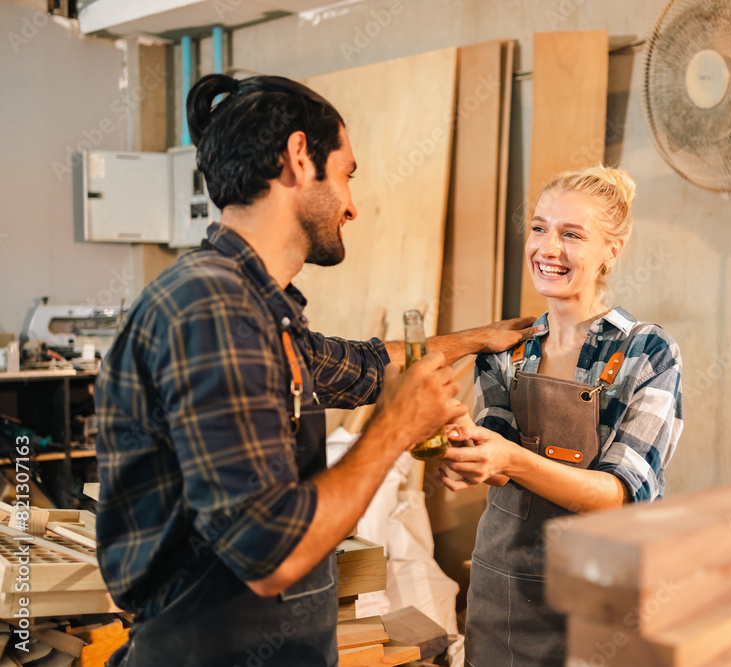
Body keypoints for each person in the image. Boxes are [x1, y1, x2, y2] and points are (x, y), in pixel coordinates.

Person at [94, 73, 539, 667]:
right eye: (347, 174)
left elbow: (364, 366)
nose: (353, 205)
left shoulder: (258, 310)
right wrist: (394, 428)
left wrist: (482, 338)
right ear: (300, 158)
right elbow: (269, 553)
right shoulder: (214, 311)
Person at [439, 166, 684, 666]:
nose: (548, 249)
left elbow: (619, 496)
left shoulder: (647, 353)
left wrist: (509, 457)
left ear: (610, 252)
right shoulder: (508, 347)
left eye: (572, 234)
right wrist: (462, 448)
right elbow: (497, 455)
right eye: (538, 227)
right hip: (500, 592)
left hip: (598, 601)